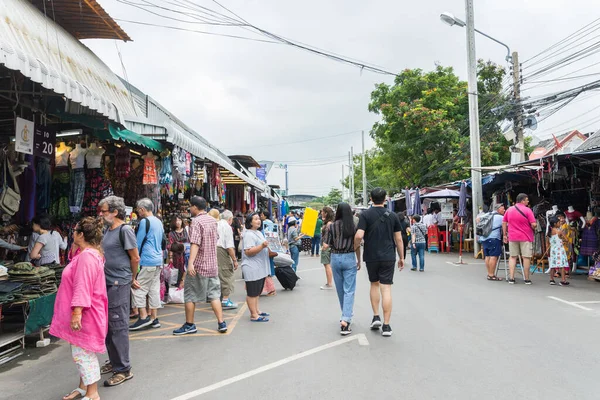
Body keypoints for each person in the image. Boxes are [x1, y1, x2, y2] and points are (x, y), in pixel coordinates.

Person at [50, 217, 107, 400]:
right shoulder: (88, 253)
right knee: (84, 352)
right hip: (89, 312)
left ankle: (92, 394)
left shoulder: (87, 256)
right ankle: (84, 388)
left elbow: (83, 286)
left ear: (81, 235)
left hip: (87, 314)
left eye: (75, 231)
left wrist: (77, 313)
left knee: (82, 355)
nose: (72, 233)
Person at [97, 196, 139, 387]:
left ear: (114, 212)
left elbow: (135, 257)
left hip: (118, 283)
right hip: (107, 282)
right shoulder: (108, 230)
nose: (101, 214)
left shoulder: (125, 230)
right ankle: (114, 361)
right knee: (108, 326)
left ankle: (123, 369)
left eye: (104, 211)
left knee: (118, 326)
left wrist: (132, 278)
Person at [354, 188, 405, 337]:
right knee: (386, 289)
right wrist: (401, 257)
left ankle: (376, 316)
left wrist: (355, 246)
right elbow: (399, 239)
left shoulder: (365, 215)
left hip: (371, 256)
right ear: (385, 199)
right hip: (388, 256)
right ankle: (387, 326)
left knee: (374, 284)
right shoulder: (393, 216)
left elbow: (359, 235)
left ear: (370, 198)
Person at [173, 196, 227, 335]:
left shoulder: (196, 222)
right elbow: (215, 239)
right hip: (212, 265)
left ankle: (190, 324)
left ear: (195, 207)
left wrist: (190, 263)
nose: (189, 209)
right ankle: (221, 323)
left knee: (190, 295)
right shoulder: (212, 220)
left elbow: (195, 243)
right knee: (214, 295)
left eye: (190, 206)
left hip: (199, 266)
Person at [324, 203, 361, 335]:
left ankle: (345, 316)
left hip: (335, 258)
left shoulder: (331, 226)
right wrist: (359, 259)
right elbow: (357, 244)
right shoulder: (353, 226)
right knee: (349, 290)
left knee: (340, 289)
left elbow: (325, 245)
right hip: (349, 257)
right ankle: (346, 318)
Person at [130, 198, 165, 331]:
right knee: (153, 290)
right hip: (157, 260)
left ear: (143, 209)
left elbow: (137, 243)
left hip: (147, 260)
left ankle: (143, 317)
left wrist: (134, 258)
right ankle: (154, 318)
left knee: (138, 288)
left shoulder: (145, 222)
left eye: (138, 210)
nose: (138, 212)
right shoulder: (158, 221)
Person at [241, 213, 270, 322]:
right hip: (252, 267)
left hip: (260, 267)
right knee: (252, 293)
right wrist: (262, 246)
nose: (259, 221)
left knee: (257, 291)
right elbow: (248, 252)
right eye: (256, 219)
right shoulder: (248, 234)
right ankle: (254, 315)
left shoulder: (258, 232)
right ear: (250, 222)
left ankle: (257, 310)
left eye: (259, 219)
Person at [502, 193, 536, 285]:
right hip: (526, 237)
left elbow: (504, 222)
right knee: (526, 257)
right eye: (527, 200)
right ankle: (527, 279)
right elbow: (533, 224)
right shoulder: (528, 210)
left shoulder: (509, 210)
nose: (528, 201)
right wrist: (533, 226)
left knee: (513, 257)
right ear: (522, 201)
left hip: (512, 237)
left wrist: (504, 235)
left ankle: (511, 278)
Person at [477, 204, 505, 281]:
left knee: (488, 256)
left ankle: (489, 273)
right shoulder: (501, 217)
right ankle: (492, 275)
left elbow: (478, 220)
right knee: (494, 256)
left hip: (484, 238)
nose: (504, 210)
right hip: (494, 238)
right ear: (498, 209)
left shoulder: (487, 214)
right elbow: (507, 225)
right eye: (503, 209)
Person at [217, 210, 239, 310]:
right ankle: (225, 300)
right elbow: (229, 246)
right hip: (221, 251)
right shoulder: (227, 227)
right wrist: (234, 260)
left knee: (218, 274)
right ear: (230, 219)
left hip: (213, 251)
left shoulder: (216, 224)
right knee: (227, 274)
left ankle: (219, 298)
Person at [547, 216, 571, 286]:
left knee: (553, 265)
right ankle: (563, 280)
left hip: (553, 250)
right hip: (560, 250)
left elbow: (547, 243)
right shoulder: (559, 231)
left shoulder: (549, 232)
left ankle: (551, 279)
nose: (560, 223)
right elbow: (566, 239)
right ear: (555, 224)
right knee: (562, 265)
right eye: (558, 222)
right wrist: (563, 241)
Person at [167, 216, 189, 287]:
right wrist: (170, 257)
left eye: (179, 220)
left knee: (186, 270)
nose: (178, 222)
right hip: (176, 256)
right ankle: (177, 288)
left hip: (186, 254)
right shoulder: (171, 233)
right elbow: (170, 246)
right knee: (177, 272)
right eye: (176, 220)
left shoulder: (186, 231)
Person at [320, 207, 335, 290]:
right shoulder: (330, 222)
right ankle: (328, 282)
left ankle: (329, 283)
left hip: (326, 246)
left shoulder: (329, 224)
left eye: (322, 211)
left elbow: (328, 236)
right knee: (327, 265)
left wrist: (325, 245)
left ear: (326, 213)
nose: (321, 212)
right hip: (327, 246)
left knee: (327, 265)